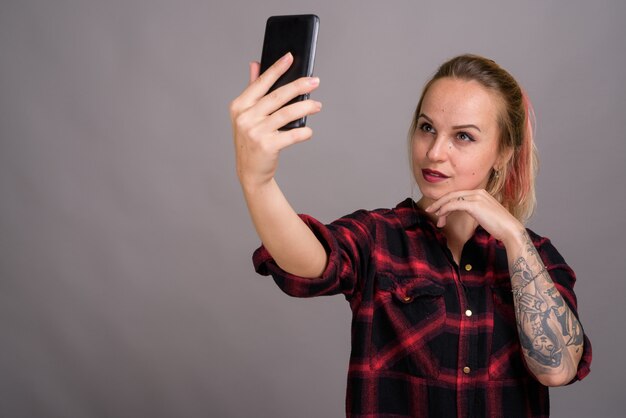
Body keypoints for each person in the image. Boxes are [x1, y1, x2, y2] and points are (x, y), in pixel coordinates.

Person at [229, 53, 592, 417]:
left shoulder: (537, 257)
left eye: (463, 136)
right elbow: (309, 263)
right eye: (427, 128)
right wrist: (257, 181)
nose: (434, 153)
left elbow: (556, 370)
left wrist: (514, 237)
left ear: (503, 154)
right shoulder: (378, 238)